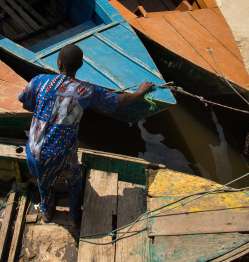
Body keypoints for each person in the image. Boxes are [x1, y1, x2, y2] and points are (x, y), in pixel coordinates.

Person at [18, 44, 153, 228]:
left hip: (33, 153)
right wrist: (140, 92)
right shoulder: (87, 91)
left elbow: (24, 101)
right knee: (73, 179)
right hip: (62, 155)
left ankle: (47, 211)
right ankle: (75, 217)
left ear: (59, 63)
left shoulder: (39, 81)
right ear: (80, 65)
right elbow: (119, 101)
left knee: (44, 182)